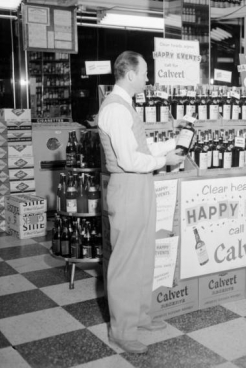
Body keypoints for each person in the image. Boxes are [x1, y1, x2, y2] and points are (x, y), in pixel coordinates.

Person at [98, 51, 185, 354]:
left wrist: (175, 141)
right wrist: (164, 159)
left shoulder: (126, 106)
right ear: (130, 74)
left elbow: (143, 148)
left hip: (141, 185)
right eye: (145, 72)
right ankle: (121, 330)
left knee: (144, 254)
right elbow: (129, 159)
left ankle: (140, 316)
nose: (149, 78)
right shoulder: (115, 110)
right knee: (125, 261)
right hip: (127, 187)